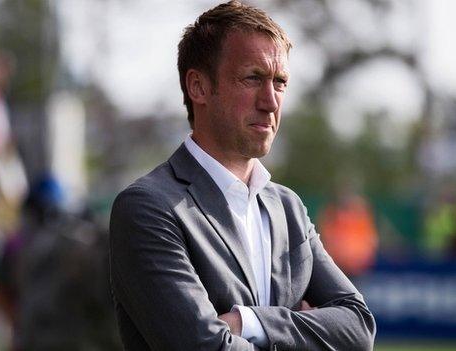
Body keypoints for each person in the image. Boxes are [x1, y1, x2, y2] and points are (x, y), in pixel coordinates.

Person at [109, 1, 376, 350]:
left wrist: (248, 322)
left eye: (279, 82)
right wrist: (305, 332)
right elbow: (202, 346)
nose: (270, 101)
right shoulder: (148, 207)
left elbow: (358, 328)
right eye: (252, 78)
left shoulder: (287, 208)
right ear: (198, 87)